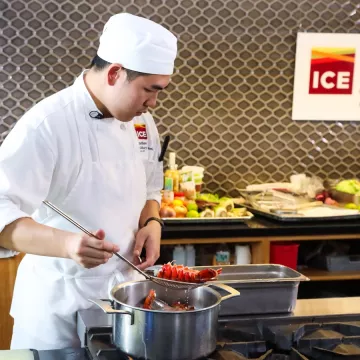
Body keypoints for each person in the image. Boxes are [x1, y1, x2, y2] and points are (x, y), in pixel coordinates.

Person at [0, 13, 177, 350]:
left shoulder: (142, 123)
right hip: (57, 311)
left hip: (125, 303)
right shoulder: (46, 124)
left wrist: (151, 221)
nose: (153, 103)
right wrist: (67, 245)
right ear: (115, 73)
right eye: (149, 91)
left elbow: (151, 183)